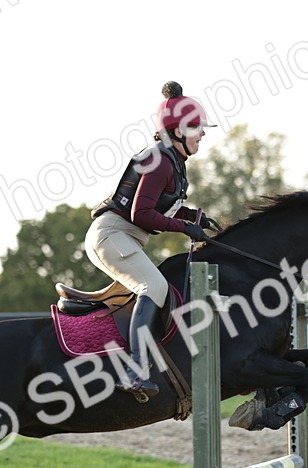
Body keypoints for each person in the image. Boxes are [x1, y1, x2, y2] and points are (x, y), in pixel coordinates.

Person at [87, 81, 218, 398]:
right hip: (113, 234)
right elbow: (141, 214)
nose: (203, 134)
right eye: (197, 128)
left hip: (121, 235)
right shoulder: (160, 160)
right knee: (155, 287)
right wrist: (184, 229)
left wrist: (192, 217)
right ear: (178, 130)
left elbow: (161, 205)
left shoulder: (172, 160)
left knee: (160, 286)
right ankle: (134, 372)